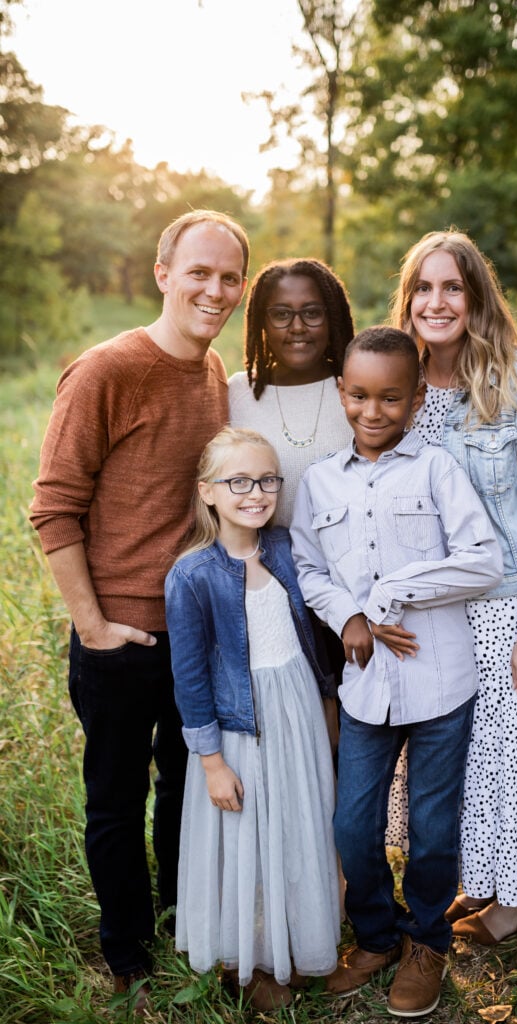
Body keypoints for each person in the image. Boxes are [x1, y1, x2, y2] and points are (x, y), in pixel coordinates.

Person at [29, 210, 250, 1013]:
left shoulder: (213, 372)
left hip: (196, 634)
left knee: (187, 792)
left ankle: (181, 925)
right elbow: (53, 508)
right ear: (163, 273)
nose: (214, 290)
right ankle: (128, 958)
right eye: (199, 272)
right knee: (117, 800)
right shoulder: (105, 371)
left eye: (229, 277)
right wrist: (92, 625)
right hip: (120, 635)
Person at [290, 327, 503, 1017]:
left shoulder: (436, 469)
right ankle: (375, 936)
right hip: (365, 689)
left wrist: (391, 592)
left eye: (390, 397)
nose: (373, 410)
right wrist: (348, 617)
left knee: (431, 827)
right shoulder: (321, 479)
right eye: (358, 395)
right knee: (353, 826)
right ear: (341, 393)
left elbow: (482, 559)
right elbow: (308, 568)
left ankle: (426, 941)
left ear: (415, 399)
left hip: (441, 683)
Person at [390, 229, 517, 945]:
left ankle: (515, 900)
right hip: (428, 609)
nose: (435, 302)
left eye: (451, 287)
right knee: (450, 757)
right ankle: (480, 877)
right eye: (422, 288)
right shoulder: (398, 383)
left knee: (508, 752)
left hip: (501, 605)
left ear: (475, 297)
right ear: (407, 300)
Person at [164, 427, 340, 1012]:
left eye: (267, 480)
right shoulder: (192, 576)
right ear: (208, 492)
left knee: (296, 822)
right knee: (245, 838)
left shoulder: (287, 548)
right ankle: (248, 959)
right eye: (238, 481)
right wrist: (211, 762)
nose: (256, 493)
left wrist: (326, 701)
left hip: (296, 708)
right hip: (241, 725)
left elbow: (313, 635)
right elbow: (189, 680)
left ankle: (295, 939)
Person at [228, 257, 356, 733]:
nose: (297, 327)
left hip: (352, 589)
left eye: (312, 312)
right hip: (271, 594)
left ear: (334, 317)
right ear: (261, 320)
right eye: (281, 314)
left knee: (353, 740)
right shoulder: (238, 394)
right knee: (292, 736)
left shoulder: (356, 386)